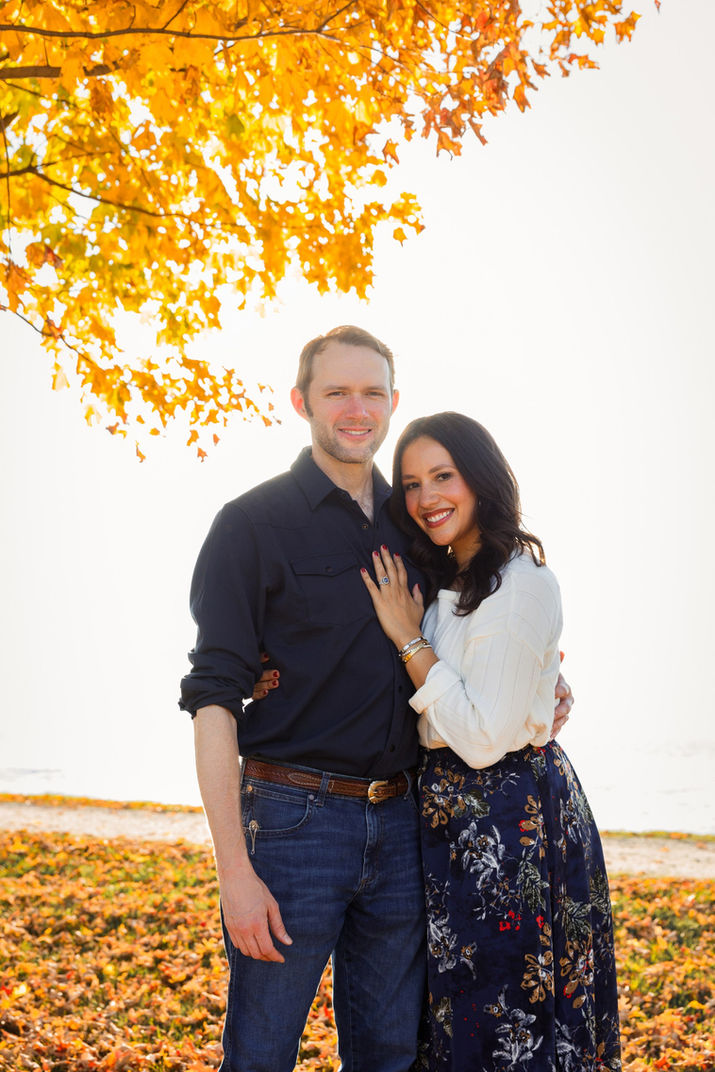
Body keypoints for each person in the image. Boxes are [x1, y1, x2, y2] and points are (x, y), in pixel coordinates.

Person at [179, 327, 574, 1072]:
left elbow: (476, 626)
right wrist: (234, 870)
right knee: (262, 1050)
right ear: (301, 402)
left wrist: (543, 680)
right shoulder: (250, 525)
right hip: (295, 822)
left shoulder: (416, 521)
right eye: (336, 392)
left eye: (372, 392)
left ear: (394, 402)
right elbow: (212, 701)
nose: (355, 409)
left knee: (391, 1052)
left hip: (405, 823)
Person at [360, 412, 621, 1071]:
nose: (426, 499)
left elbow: (480, 738)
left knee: (510, 1021)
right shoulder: (451, 576)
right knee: (457, 1015)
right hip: (453, 819)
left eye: (442, 476)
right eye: (411, 483)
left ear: (481, 479)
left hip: (508, 826)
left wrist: (407, 638)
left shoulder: (518, 581)